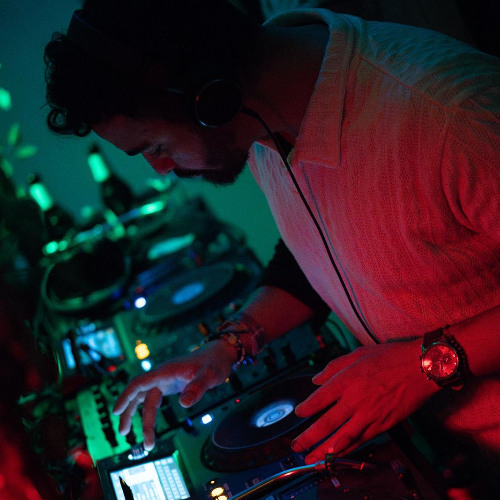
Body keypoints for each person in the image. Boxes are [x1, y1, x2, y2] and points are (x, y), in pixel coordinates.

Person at [44, 0, 499, 494]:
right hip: (453, 447)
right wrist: (227, 345)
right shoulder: (262, 123)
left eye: (155, 146)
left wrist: (422, 366)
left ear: (206, 95)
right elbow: (325, 249)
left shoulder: (455, 115)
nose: (162, 170)